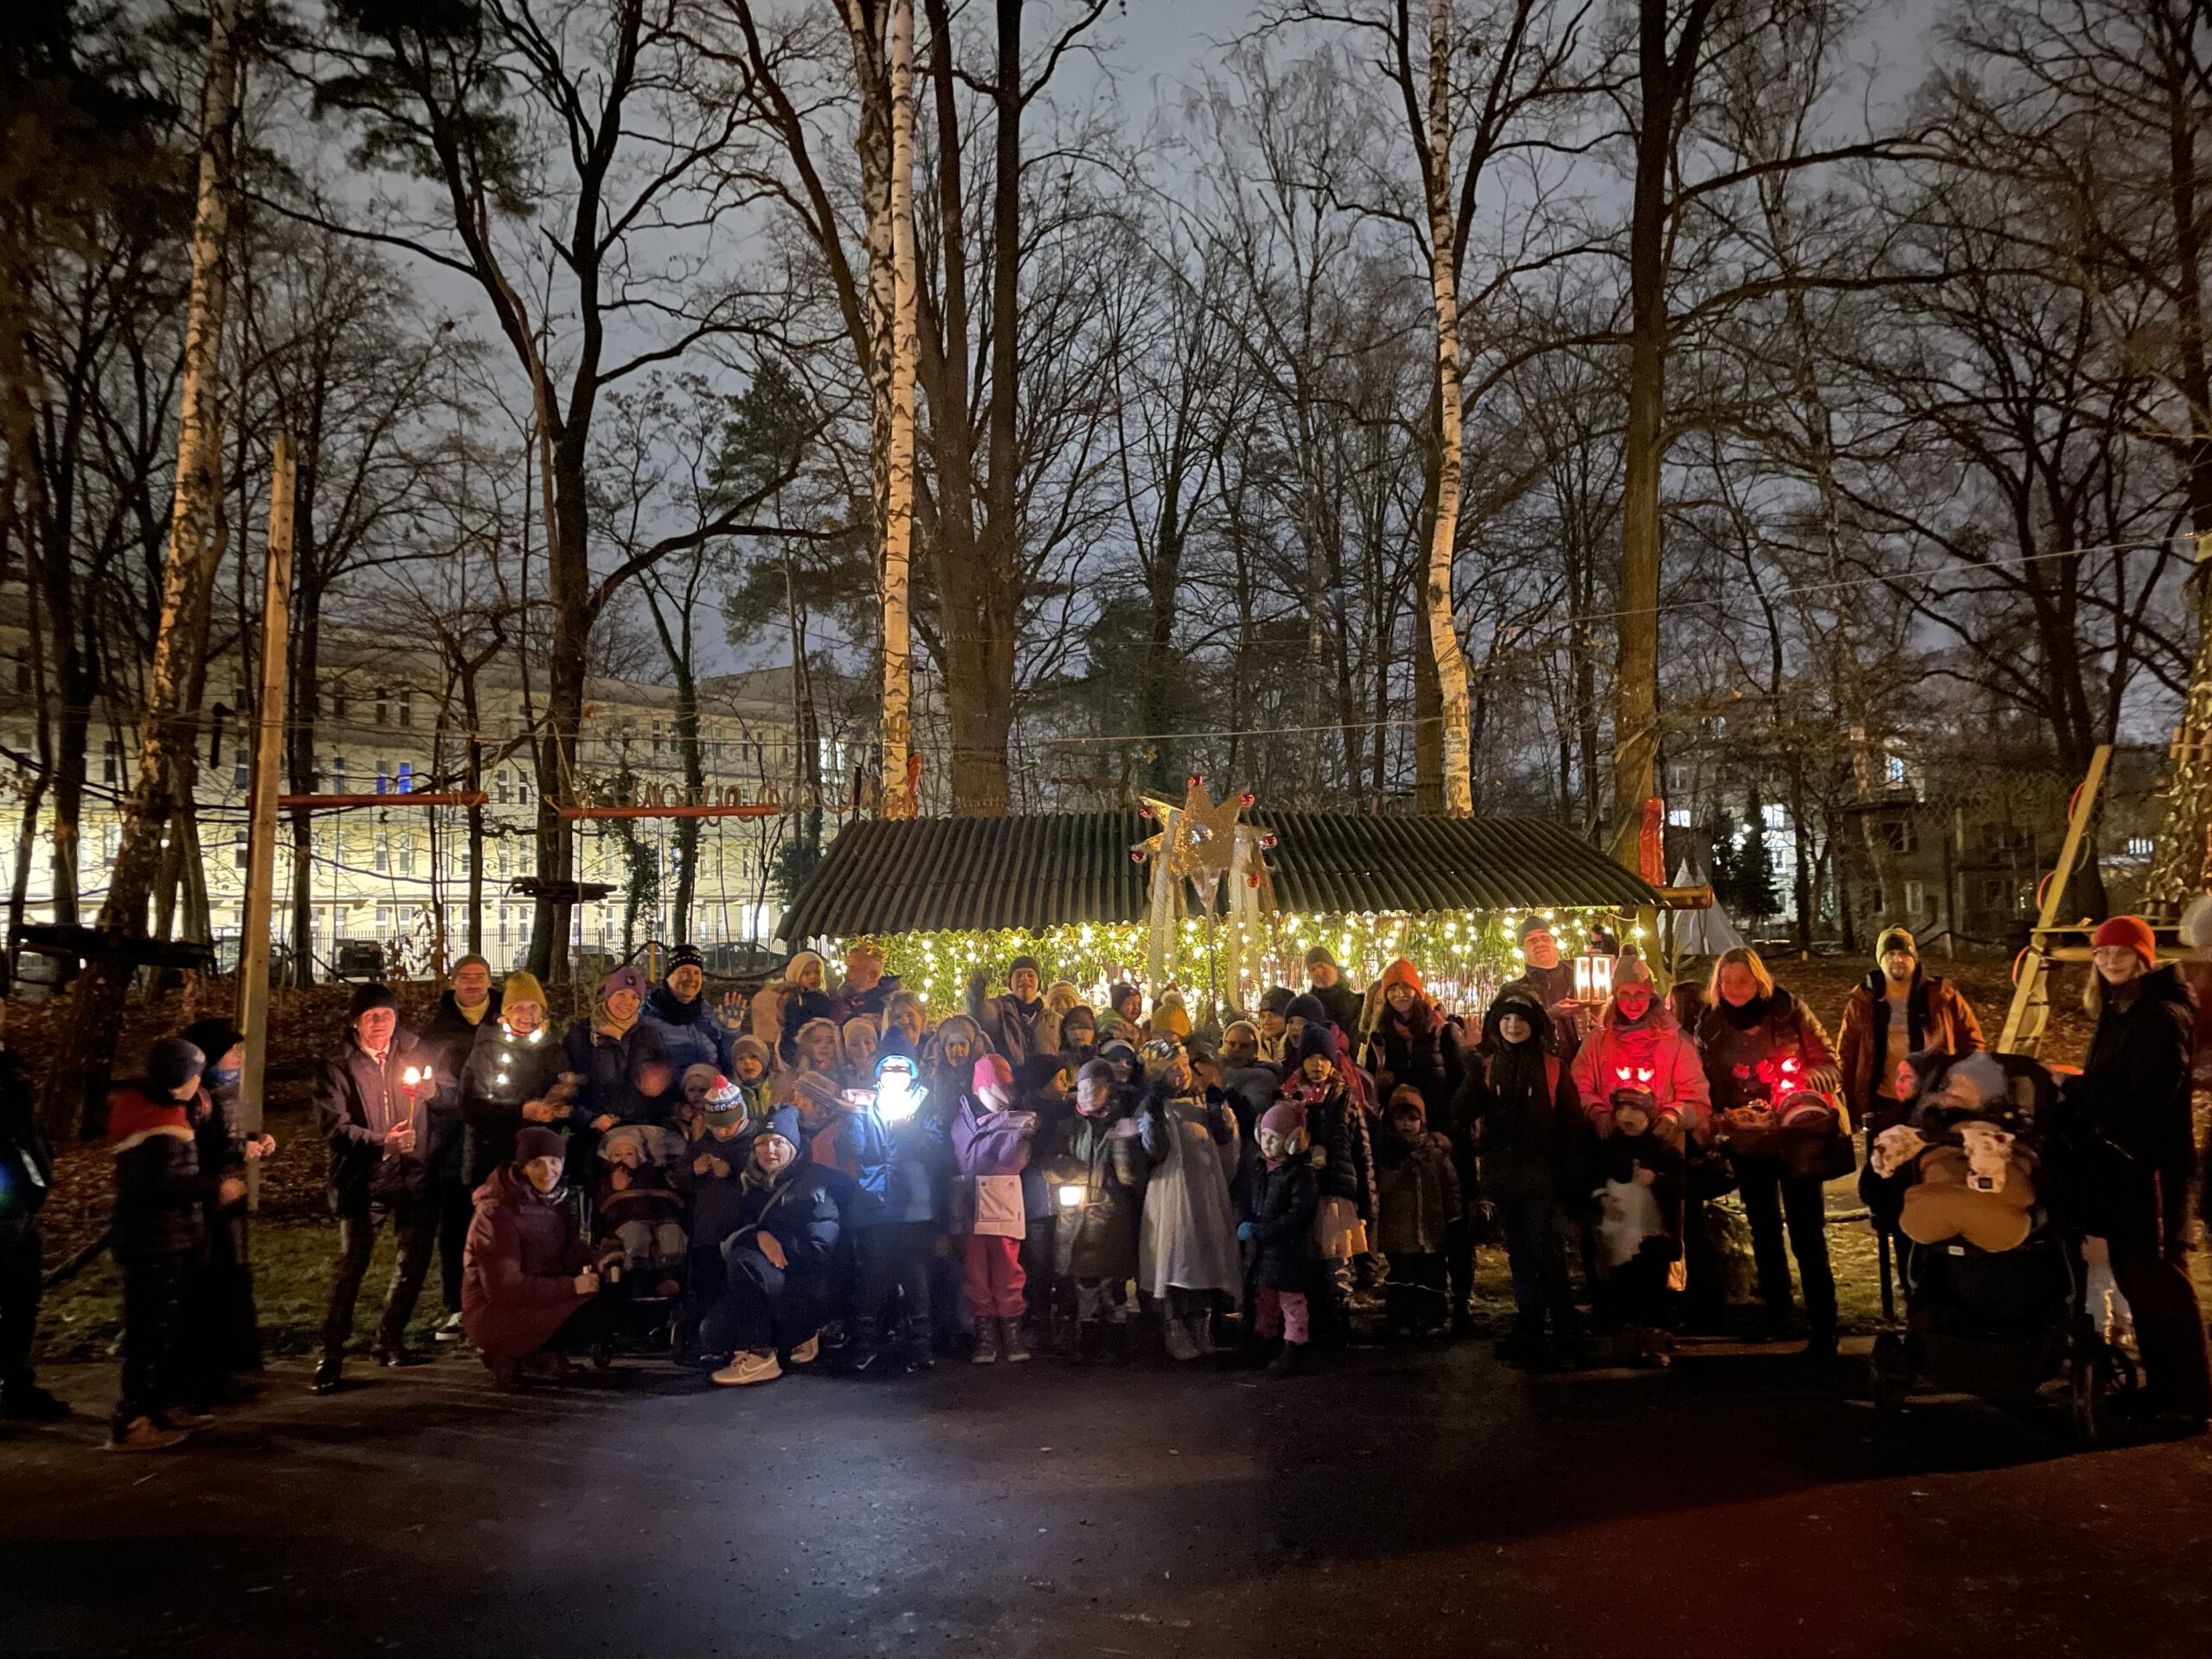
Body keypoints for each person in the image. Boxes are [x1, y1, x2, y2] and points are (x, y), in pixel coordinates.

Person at [2065, 917, 2210, 1429]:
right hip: (2124, 1165)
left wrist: (2080, 1091)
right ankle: (2163, 1391)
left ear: (2144, 956)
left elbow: (2149, 1098)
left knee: (2162, 1280)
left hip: (2153, 1167)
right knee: (2140, 1279)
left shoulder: (2159, 1015)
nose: (2110, 961)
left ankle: (2189, 1401)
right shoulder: (2118, 1009)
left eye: (2122, 952)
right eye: (2102, 954)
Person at [1696, 947, 1842, 1357]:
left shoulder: (1789, 1010)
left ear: (1759, 980)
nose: (1735, 989)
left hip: (1797, 1137)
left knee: (1807, 1232)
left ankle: (1823, 1323)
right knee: (1763, 1229)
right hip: (1748, 1137)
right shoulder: (1710, 1024)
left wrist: (1808, 1077)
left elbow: (1831, 1063)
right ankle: (1777, 1312)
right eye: (1727, 981)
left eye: (1743, 980)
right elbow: (1703, 1079)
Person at [107, 1039, 239, 1450]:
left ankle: (153, 1410)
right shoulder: (152, 1125)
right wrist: (215, 1185)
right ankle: (132, 1421)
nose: (199, 1081)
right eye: (194, 1073)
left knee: (164, 1331)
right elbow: (157, 1185)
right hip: (154, 1243)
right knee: (149, 1332)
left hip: (172, 1238)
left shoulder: (169, 1113)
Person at [311, 983, 443, 1394]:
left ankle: (389, 1340)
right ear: (356, 1022)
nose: (381, 1023)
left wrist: (434, 1091)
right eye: (372, 1017)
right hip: (364, 1178)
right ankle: (331, 1355)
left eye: (387, 1015)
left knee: (412, 1262)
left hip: (413, 1173)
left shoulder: (415, 1051)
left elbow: (451, 1090)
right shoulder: (337, 1064)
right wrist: (380, 1142)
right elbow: (334, 1126)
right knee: (353, 1266)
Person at [1463, 987, 1586, 1366]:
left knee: (1543, 1250)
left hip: (1541, 1174)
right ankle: (1530, 1320)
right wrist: (1471, 1079)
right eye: (1506, 1019)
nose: (1513, 1026)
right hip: (1504, 1174)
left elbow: (1570, 1122)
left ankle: (1565, 1325)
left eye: (1520, 1020)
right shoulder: (1486, 1066)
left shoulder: (1551, 1067)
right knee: (1518, 1251)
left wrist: (1569, 1173)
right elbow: (1463, 1110)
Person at [461, 1126, 619, 1388]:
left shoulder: (555, 1202)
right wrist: (572, 1287)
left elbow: (569, 1251)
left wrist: (601, 1257)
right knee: (594, 1312)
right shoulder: (496, 1212)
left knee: (613, 1298)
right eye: (537, 1163)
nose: (548, 1172)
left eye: (554, 1162)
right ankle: (508, 1352)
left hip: (540, 1297)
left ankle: (539, 1354)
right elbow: (504, 1288)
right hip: (499, 1312)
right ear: (522, 1166)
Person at [706, 1107, 843, 1387]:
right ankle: (779, 1340)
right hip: (770, 1287)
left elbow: (819, 1248)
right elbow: (730, 1234)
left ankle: (761, 1355)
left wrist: (772, 1239)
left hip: (803, 1289)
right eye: (762, 1143)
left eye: (779, 1142)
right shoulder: (752, 1184)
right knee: (712, 1334)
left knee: (746, 1262)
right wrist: (760, 1236)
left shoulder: (812, 1183)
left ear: (793, 1146)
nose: (770, 1150)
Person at [178, 1016, 270, 1402]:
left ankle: (223, 1367)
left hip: (215, 1202)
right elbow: (192, 1155)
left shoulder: (216, 1094)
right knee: (202, 1289)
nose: (239, 1056)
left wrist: (250, 1144)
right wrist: (221, 1178)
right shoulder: (193, 1101)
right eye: (232, 1050)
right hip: (199, 1207)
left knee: (223, 1281)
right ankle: (200, 1379)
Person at [840, 1051, 949, 1376]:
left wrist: (909, 1131)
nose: (896, 1072)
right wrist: (855, 1115)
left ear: (912, 1072)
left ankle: (920, 1347)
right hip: (877, 1203)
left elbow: (935, 1149)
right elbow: (857, 1150)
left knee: (916, 1278)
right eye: (889, 1066)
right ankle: (865, 1346)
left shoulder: (924, 1104)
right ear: (879, 1072)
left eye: (903, 1067)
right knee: (873, 1277)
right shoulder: (866, 1103)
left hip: (914, 1205)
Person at [1138, 1039, 1243, 1361]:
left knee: (1206, 1254)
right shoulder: (1155, 1108)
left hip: (1205, 1191)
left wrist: (1218, 1111)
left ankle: (1202, 1323)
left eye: (1183, 1067)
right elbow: (1153, 1151)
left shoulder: (1202, 1101)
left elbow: (1225, 1141)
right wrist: (1154, 1115)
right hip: (1172, 1193)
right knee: (1176, 1256)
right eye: (1172, 1070)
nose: (1181, 1075)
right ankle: (1174, 1325)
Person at [1276, 1025, 1375, 1345]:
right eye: (1311, 1058)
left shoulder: (1344, 1097)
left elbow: (1362, 1150)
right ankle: (1312, 1322)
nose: (1317, 1064)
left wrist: (1367, 1199)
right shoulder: (1289, 1096)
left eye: (1324, 1058)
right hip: (1301, 1191)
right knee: (1308, 1259)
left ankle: (1338, 1319)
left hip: (1336, 1190)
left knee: (1336, 1262)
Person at [420, 954, 500, 1343]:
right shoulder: (436, 1031)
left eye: (479, 976)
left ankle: (502, 1297)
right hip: (453, 1138)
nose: (472, 983)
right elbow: (433, 1087)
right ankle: (457, 1304)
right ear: (453, 983)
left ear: (489, 980)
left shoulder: (508, 1020)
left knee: (502, 1220)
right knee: (454, 1222)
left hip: (501, 1135)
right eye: (464, 977)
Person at [1045, 1058, 1147, 1362]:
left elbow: (1133, 1176)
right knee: (1084, 1279)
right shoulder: (1067, 1126)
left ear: (1109, 1089)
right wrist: (1072, 1169)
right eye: (1084, 1088)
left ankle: (1117, 1335)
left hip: (1110, 1212)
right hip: (1076, 1213)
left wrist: (1124, 1147)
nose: (1089, 1094)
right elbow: (1049, 1162)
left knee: (1114, 1280)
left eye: (1097, 1087)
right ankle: (1088, 1333)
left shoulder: (1122, 1124)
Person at [1837, 927, 1983, 1133]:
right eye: (1890, 954)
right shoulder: (1863, 1001)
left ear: (1914, 959)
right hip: (1882, 1101)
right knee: (1885, 1159)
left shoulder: (1941, 996)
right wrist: (1848, 1104)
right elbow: (1847, 1053)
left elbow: (1972, 1042)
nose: (1897, 959)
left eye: (1904, 954)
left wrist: (1966, 1082)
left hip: (1932, 1098)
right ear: (1880, 960)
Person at [459, 973, 572, 1212]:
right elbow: (472, 1107)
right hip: (496, 1155)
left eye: (533, 1006)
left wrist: (561, 1104)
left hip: (541, 1161)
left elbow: (564, 1094)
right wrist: (522, 1110)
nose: (527, 1015)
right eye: (518, 1007)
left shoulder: (552, 1049)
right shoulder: (488, 1048)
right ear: (505, 1012)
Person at [951, 1053, 1038, 1363]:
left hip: (1001, 1202)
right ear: (979, 1089)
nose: (1002, 1096)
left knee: (1008, 1268)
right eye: (994, 1088)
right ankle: (986, 1333)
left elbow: (1012, 1160)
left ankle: (1011, 1329)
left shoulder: (1018, 1122)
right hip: (971, 1207)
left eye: (1006, 1088)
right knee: (976, 1272)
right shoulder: (961, 1122)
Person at [1591, 1084, 1685, 1368]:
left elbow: (1681, 1184)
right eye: (1622, 1110)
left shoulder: (1663, 1151)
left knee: (1653, 1286)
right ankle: (1628, 1339)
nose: (1627, 1117)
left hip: (1652, 1234)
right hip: (1618, 1232)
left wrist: (1657, 1179)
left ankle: (1653, 1338)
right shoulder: (1606, 1150)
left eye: (1635, 1111)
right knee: (1623, 1285)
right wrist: (1600, 1198)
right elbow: (1591, 1177)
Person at [0, 1020, 66, 1422]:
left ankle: (16, 1385)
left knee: (21, 1303)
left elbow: (29, 1141)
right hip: (9, 1212)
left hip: (18, 1210)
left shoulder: (12, 1083)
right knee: (13, 1302)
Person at [1374, 1089, 1460, 1338]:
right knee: (1401, 1275)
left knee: (1431, 1276)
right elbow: (1381, 1187)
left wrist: (1453, 1217)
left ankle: (1431, 1318)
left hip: (1430, 1226)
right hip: (1398, 1229)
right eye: (1401, 1119)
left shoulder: (1434, 1152)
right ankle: (1401, 1318)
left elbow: (1450, 1185)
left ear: (1422, 1120)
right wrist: (1397, 1167)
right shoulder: (1388, 1152)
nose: (1407, 1125)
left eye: (1413, 1118)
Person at [1241, 1100, 1319, 1377]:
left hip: (1288, 1251)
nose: (1267, 1143)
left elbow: (1300, 1212)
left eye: (1274, 1138)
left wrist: (1266, 1230)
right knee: (1265, 1298)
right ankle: (1264, 1340)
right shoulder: (1260, 1169)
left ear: (1291, 1141)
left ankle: (1294, 1345)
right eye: (1264, 1136)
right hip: (1265, 1251)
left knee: (1291, 1301)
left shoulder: (1300, 1173)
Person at [1363, 959, 1464, 1120]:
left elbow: (1458, 1080)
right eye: (1392, 989)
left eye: (1405, 987)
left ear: (1416, 991)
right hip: (1396, 1124)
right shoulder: (1380, 1035)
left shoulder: (1441, 1030)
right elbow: (1367, 1084)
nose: (1399, 994)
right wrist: (1378, 1086)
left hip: (1437, 1121)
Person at [594, 1123, 688, 1294]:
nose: (623, 1158)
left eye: (629, 1153)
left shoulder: (654, 1175)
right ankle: (637, 1276)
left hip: (658, 1220)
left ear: (639, 1156)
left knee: (672, 1231)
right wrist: (616, 1191)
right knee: (636, 1232)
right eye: (617, 1154)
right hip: (624, 1223)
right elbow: (603, 1211)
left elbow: (669, 1198)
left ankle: (671, 1276)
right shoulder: (607, 1181)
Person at [641, 944, 739, 1074]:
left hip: (710, 1090)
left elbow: (729, 1065)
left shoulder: (708, 1013)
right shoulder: (648, 1018)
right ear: (668, 977)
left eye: (697, 973)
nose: (692, 979)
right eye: (684, 972)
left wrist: (731, 1032)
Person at [976, 955, 1048, 1070]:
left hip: (1047, 1085)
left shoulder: (1052, 1018)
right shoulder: (1000, 1010)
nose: (1024, 978)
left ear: (1039, 983)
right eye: (1019, 975)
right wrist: (976, 995)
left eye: (1030, 975)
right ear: (1010, 983)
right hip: (1010, 1082)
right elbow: (982, 1013)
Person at [830, 939, 899, 1027]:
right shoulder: (838, 1003)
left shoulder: (892, 1007)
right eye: (847, 966)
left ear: (872, 975)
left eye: (852, 967)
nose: (846, 972)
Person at [1303, 948, 1363, 1037]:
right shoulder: (1306, 1005)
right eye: (1312, 969)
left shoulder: (1356, 1001)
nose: (1318, 972)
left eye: (1321, 966)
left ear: (1333, 968)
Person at [1255, 987, 1294, 1065]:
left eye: (1274, 1015)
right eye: (1263, 1016)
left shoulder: (1299, 1053)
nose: (1266, 1022)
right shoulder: (1254, 1051)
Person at [840, 1018, 880, 1088]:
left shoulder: (884, 1070)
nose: (863, 1049)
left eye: (867, 1042)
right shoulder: (842, 1074)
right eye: (855, 1045)